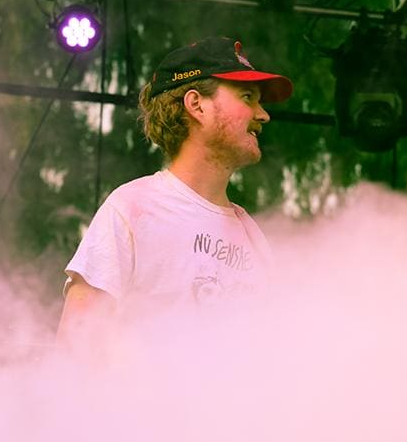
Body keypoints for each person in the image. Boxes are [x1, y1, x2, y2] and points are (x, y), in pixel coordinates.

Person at [57, 36, 293, 346]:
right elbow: (76, 344)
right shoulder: (132, 209)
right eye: (247, 97)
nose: (263, 114)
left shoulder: (252, 235)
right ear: (196, 105)